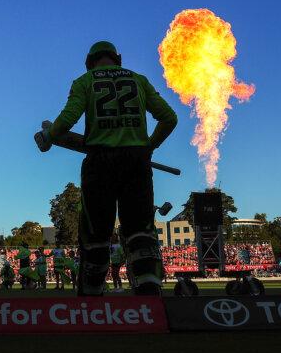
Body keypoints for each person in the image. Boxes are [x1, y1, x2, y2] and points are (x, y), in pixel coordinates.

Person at [35, 40, 178, 295]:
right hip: (137, 163)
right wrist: (148, 147)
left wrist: (48, 137)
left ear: (89, 63)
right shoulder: (139, 80)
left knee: (96, 232)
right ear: (118, 58)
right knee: (140, 231)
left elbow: (68, 118)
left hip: (99, 162)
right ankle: (149, 296)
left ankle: (92, 297)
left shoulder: (85, 81)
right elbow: (169, 118)